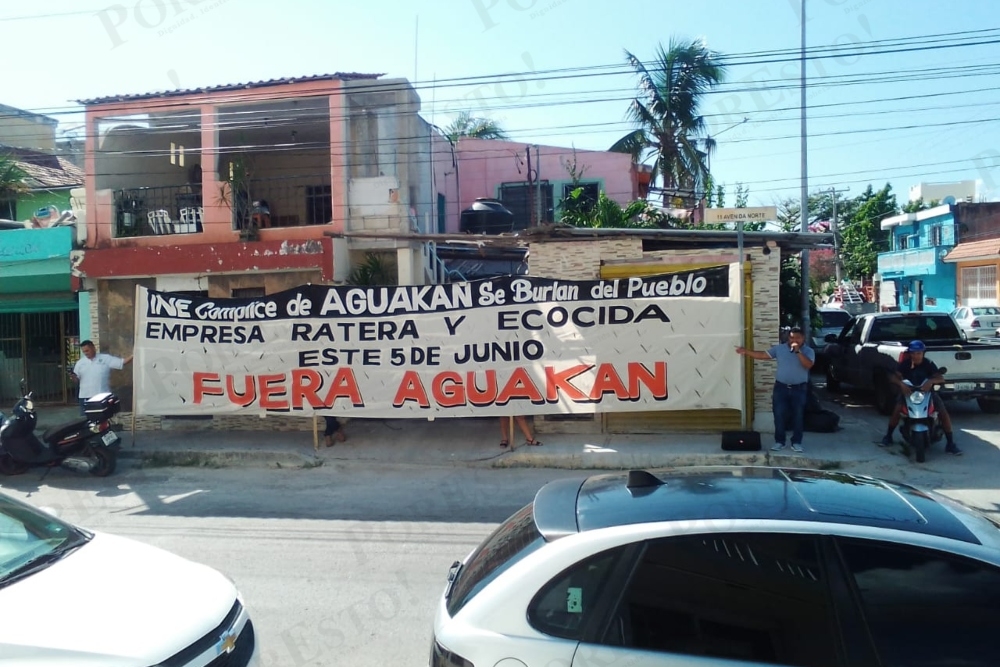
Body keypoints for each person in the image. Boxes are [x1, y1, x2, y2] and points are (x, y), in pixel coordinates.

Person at [736, 326, 815, 453]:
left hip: (799, 388)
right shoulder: (780, 349)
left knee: (798, 415)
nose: (794, 340)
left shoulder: (808, 351)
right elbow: (763, 355)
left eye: (797, 338)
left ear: (803, 338)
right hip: (781, 387)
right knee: (778, 414)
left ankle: (796, 442)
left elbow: (808, 365)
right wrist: (746, 351)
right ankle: (780, 441)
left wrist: (798, 351)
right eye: (791, 337)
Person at [881, 340, 961, 454]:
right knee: (897, 410)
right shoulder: (905, 365)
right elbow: (893, 377)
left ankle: (950, 443)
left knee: (943, 412)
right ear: (910, 354)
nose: (916, 356)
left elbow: (941, 378)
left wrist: (931, 381)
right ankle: (888, 436)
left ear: (923, 353)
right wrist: (901, 384)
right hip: (909, 393)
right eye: (913, 353)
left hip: (928, 393)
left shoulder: (928, 364)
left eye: (918, 353)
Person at [70, 340, 132, 415]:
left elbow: (122, 363)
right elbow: (76, 380)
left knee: (103, 419)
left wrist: (134, 355)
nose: (86, 353)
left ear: (93, 348)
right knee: (86, 420)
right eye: (84, 352)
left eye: (87, 351)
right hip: (85, 397)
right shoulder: (80, 363)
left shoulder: (105, 358)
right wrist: (73, 377)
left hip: (102, 396)